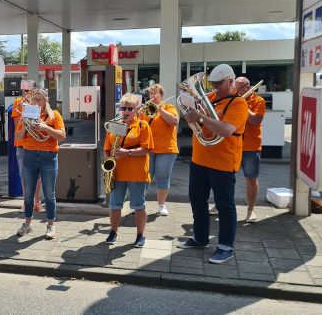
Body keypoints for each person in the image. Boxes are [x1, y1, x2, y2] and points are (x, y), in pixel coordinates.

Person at [178, 64, 248, 264]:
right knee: (197, 200)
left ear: (230, 81)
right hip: (199, 160)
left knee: (225, 206)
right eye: (213, 84)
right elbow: (196, 121)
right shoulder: (209, 99)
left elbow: (226, 129)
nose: (215, 88)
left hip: (223, 162)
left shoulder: (238, 104)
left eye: (219, 84)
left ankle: (226, 246)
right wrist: (191, 112)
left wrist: (200, 117)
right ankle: (200, 238)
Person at [14, 88, 65, 239]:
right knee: (28, 194)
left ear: (45, 101)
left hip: (48, 156)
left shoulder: (54, 114)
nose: (36, 102)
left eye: (40, 99)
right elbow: (17, 137)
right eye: (34, 99)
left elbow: (62, 136)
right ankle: (27, 223)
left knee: (49, 193)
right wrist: (24, 124)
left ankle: (50, 225)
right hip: (29, 155)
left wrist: (45, 127)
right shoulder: (26, 115)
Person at [103, 94, 153, 246]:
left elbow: (147, 149)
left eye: (129, 109)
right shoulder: (115, 124)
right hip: (117, 172)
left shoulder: (143, 125)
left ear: (136, 110)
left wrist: (128, 153)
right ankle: (113, 232)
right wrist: (108, 163)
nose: (125, 111)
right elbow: (107, 148)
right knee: (114, 204)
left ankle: (140, 235)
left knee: (138, 205)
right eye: (123, 108)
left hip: (137, 172)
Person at [143, 84, 179, 216]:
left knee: (163, 178)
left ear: (162, 95)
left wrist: (159, 109)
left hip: (166, 149)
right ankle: (140, 203)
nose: (152, 96)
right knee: (145, 177)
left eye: (155, 93)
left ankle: (161, 205)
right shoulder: (146, 108)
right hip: (148, 148)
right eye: (150, 94)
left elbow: (174, 121)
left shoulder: (169, 107)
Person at [11, 80, 44, 214]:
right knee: (25, 175)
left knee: (38, 175)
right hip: (22, 144)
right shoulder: (18, 103)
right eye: (25, 91)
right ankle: (26, 203)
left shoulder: (40, 102)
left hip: (37, 143)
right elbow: (16, 123)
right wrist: (26, 109)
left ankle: (37, 202)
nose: (27, 93)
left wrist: (34, 106)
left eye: (30, 90)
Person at [236, 77, 265, 222]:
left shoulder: (258, 100)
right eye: (235, 87)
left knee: (251, 178)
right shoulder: (233, 98)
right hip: (233, 144)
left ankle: (250, 210)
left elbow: (255, 120)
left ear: (247, 87)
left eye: (239, 88)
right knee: (223, 177)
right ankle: (218, 205)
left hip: (251, 146)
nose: (236, 90)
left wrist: (243, 105)